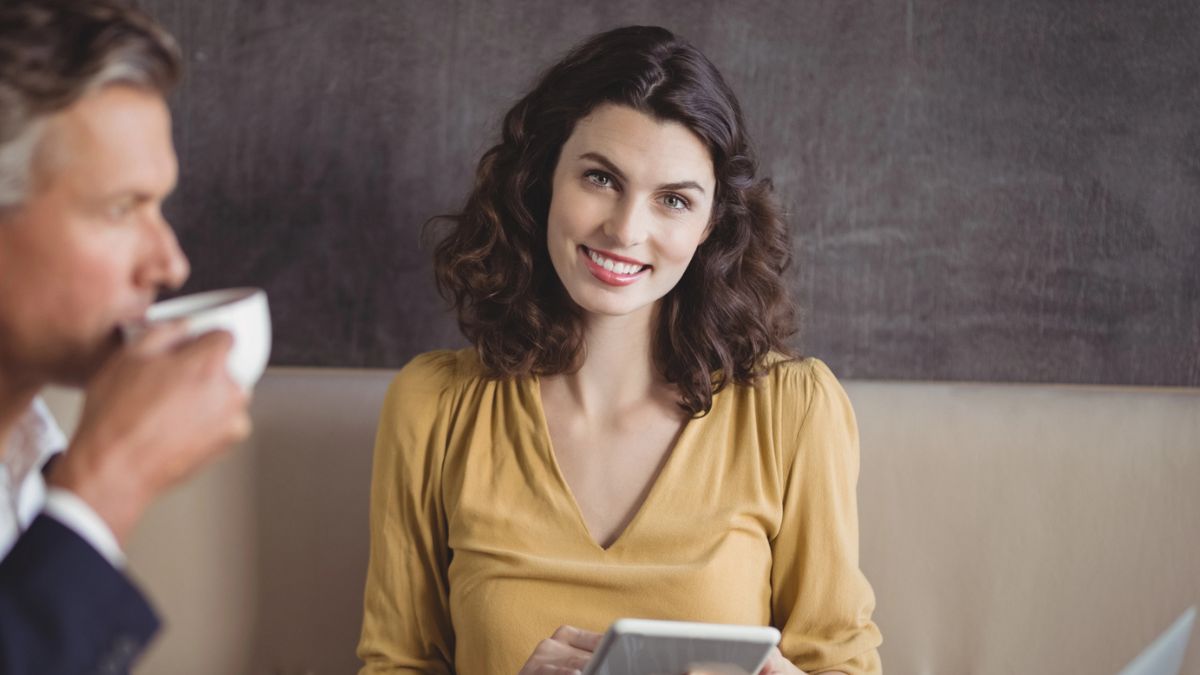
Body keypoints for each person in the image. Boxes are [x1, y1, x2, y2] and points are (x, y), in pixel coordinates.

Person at [358, 25, 881, 675]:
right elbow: (396, 662)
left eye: (674, 200)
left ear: (709, 224)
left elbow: (841, 660)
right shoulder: (433, 407)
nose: (627, 230)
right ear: (543, 178)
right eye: (601, 178)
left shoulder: (793, 411)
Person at [0, 1, 251, 672]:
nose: (171, 265)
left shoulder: (28, 459)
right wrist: (104, 487)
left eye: (158, 206)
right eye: (119, 209)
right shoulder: (78, 479)